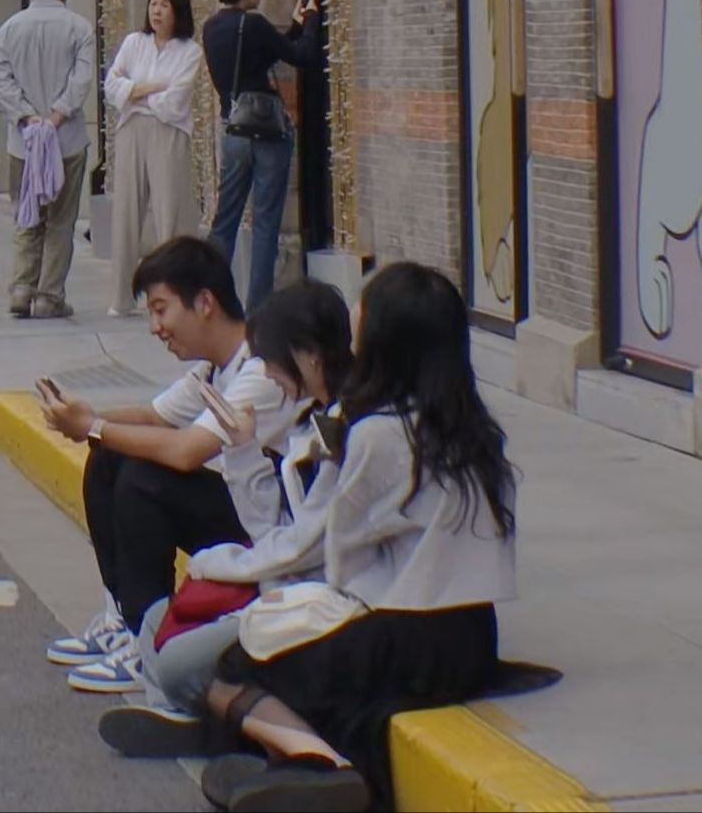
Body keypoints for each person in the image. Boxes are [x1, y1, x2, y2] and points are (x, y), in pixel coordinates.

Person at [197, 264, 516, 813]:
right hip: (473, 636)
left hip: (405, 635)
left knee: (231, 671)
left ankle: (324, 763)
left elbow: (342, 559)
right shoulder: (477, 434)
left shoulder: (377, 432)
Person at [36, 237, 297, 693]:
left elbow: (186, 451)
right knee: (111, 454)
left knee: (145, 479)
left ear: (205, 303)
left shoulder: (258, 368)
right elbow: (155, 416)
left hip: (274, 529)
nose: (156, 327)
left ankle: (149, 639)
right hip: (244, 510)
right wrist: (81, 418)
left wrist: (92, 424)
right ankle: (123, 614)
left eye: (161, 310)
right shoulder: (214, 369)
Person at [98, 279, 351, 748]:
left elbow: (303, 549)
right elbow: (270, 529)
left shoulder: (348, 433)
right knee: (156, 621)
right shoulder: (306, 422)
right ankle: (181, 708)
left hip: (311, 596)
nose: (269, 376)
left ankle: (192, 712)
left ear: (309, 356)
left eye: (273, 363)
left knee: (174, 660)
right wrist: (242, 450)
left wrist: (220, 564)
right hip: (282, 579)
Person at [203, 0, 325, 309]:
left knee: (225, 217)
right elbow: (301, 57)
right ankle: (259, 306)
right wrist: (313, 20)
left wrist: (295, 25)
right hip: (267, 131)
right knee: (265, 220)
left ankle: (210, 296)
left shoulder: (211, 27)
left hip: (233, 128)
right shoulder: (252, 24)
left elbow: (263, 56)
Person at [0, 0, 98, 320]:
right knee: (61, 220)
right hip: (65, 139)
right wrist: (56, 116)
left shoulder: (9, 29)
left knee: (26, 215)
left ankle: (22, 288)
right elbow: (82, 79)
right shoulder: (79, 28)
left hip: (22, 141)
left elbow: (2, 80)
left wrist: (26, 116)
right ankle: (50, 295)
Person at [105, 0, 206, 318]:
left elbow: (175, 101)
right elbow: (112, 85)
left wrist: (135, 94)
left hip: (169, 133)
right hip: (131, 131)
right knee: (126, 213)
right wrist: (147, 89)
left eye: (164, 5)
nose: (157, 10)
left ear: (178, 11)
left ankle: (169, 296)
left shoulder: (189, 50)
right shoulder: (135, 43)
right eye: (153, 3)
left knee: (168, 213)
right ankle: (121, 297)